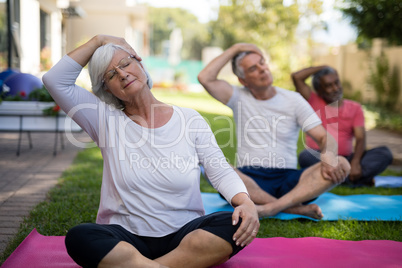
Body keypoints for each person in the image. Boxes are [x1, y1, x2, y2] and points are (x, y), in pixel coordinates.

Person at [42, 35, 259, 268]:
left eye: (125, 64)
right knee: (80, 237)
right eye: (112, 75)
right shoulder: (103, 119)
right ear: (107, 89)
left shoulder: (189, 119)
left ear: (140, 64)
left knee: (236, 223)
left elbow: (218, 168)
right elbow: (55, 80)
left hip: (184, 233)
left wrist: (244, 201)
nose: (123, 74)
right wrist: (98, 40)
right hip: (127, 237)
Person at [198, 43, 350, 220]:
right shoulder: (237, 96)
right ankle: (292, 209)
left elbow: (324, 137)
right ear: (243, 80)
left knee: (342, 163)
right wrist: (237, 48)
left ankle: (271, 208)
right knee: (211, 167)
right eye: (253, 68)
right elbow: (205, 77)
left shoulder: (293, 99)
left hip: (288, 181)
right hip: (249, 179)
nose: (262, 69)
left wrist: (328, 155)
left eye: (262, 62)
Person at [291, 65, 393, 186]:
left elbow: (360, 138)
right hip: (322, 158)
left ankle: (341, 178)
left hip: (347, 160)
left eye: (336, 83)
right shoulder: (312, 100)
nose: (335, 88)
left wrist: (355, 162)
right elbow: (296, 77)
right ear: (320, 90)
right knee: (306, 156)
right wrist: (324, 67)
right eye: (329, 85)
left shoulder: (355, 107)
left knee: (384, 153)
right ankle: (355, 180)